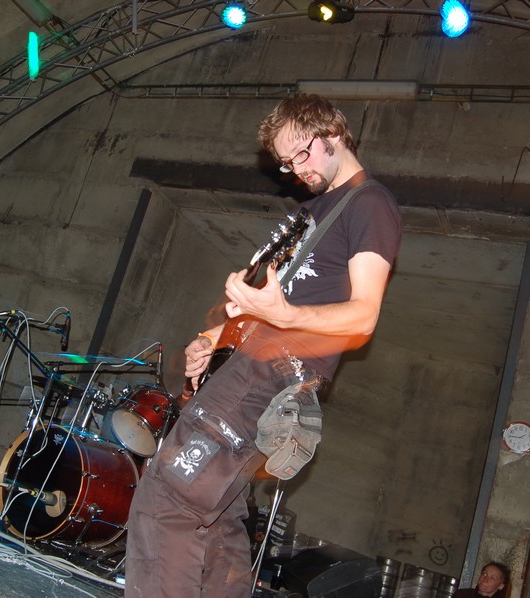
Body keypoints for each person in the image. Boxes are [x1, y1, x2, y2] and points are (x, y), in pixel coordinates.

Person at [123, 93, 402, 597]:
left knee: (167, 501)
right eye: (286, 163)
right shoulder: (316, 210)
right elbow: (267, 303)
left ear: (333, 134)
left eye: (303, 154)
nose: (297, 170)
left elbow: (364, 315)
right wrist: (212, 339)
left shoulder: (370, 204)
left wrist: (284, 316)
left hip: (269, 373)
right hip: (254, 367)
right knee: (218, 519)